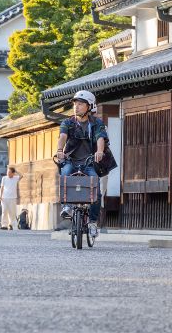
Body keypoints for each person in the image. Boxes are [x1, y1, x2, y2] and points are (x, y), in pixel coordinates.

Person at [56, 90, 107, 239]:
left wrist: (99, 151)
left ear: (89, 106)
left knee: (95, 189)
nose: (76, 107)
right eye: (75, 104)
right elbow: (63, 136)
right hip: (71, 160)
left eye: (80, 104)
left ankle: (92, 222)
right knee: (65, 175)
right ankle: (67, 206)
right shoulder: (68, 122)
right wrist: (60, 150)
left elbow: (100, 138)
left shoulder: (96, 123)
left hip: (90, 162)